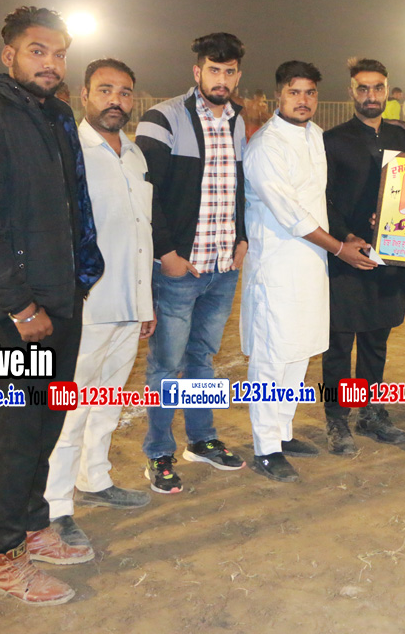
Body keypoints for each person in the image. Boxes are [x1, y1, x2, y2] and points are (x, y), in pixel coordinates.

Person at [0, 6, 104, 605]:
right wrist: (19, 305)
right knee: (14, 437)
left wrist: (73, 288)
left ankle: (35, 529)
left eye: (59, 53)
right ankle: (7, 559)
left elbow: (68, 211)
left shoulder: (54, 116)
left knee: (44, 427)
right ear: (8, 55)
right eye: (39, 51)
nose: (52, 63)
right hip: (10, 315)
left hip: (58, 303)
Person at [242, 61, 378, 482]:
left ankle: (282, 433)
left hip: (311, 266)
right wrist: (340, 248)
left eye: (310, 93)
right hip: (278, 267)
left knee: (299, 352)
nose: (303, 100)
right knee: (272, 357)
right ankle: (265, 447)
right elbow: (291, 216)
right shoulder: (265, 146)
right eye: (294, 92)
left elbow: (326, 200)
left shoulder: (316, 136)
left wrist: (353, 232)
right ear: (278, 95)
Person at [43, 59, 155, 551]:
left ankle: (95, 478)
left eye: (125, 92)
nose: (116, 100)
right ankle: (56, 505)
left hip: (130, 302)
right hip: (87, 306)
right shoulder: (70, 151)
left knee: (108, 400)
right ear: (84, 94)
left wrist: (145, 302)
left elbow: (140, 233)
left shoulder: (134, 153)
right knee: (71, 408)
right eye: (105, 90)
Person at [134, 33, 249, 494]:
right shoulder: (163, 118)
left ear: (238, 75)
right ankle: (158, 452)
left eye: (229, 71)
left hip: (222, 268)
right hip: (180, 269)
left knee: (202, 358)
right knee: (166, 364)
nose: (222, 79)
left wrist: (241, 239)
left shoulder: (238, 120)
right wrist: (167, 254)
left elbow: (237, 187)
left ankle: (202, 440)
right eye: (214, 70)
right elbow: (146, 193)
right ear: (197, 71)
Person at [322, 57, 405, 455]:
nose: (370, 95)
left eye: (377, 87)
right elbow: (324, 199)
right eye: (362, 88)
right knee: (339, 342)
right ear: (351, 92)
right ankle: (337, 418)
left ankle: (371, 412)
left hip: (389, 256)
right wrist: (345, 238)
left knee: (377, 337)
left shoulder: (401, 137)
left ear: (386, 89)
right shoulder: (333, 140)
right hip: (346, 256)